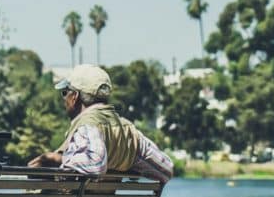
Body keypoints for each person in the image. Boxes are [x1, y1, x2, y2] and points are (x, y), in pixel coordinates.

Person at [28, 64, 173, 183]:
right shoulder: (128, 132)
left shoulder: (87, 127)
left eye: (65, 92)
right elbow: (166, 169)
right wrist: (125, 165)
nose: (63, 99)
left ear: (74, 97)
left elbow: (95, 164)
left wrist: (57, 159)